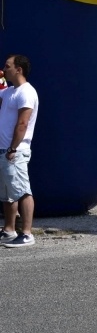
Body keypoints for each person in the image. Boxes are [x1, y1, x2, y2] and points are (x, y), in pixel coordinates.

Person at [0, 55, 39, 248]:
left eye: (7, 66)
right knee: (8, 192)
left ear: (19, 69)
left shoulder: (27, 92)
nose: (4, 69)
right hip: (4, 150)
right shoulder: (8, 92)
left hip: (16, 150)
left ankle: (27, 233)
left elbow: (23, 123)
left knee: (23, 191)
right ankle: (9, 230)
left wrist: (13, 148)